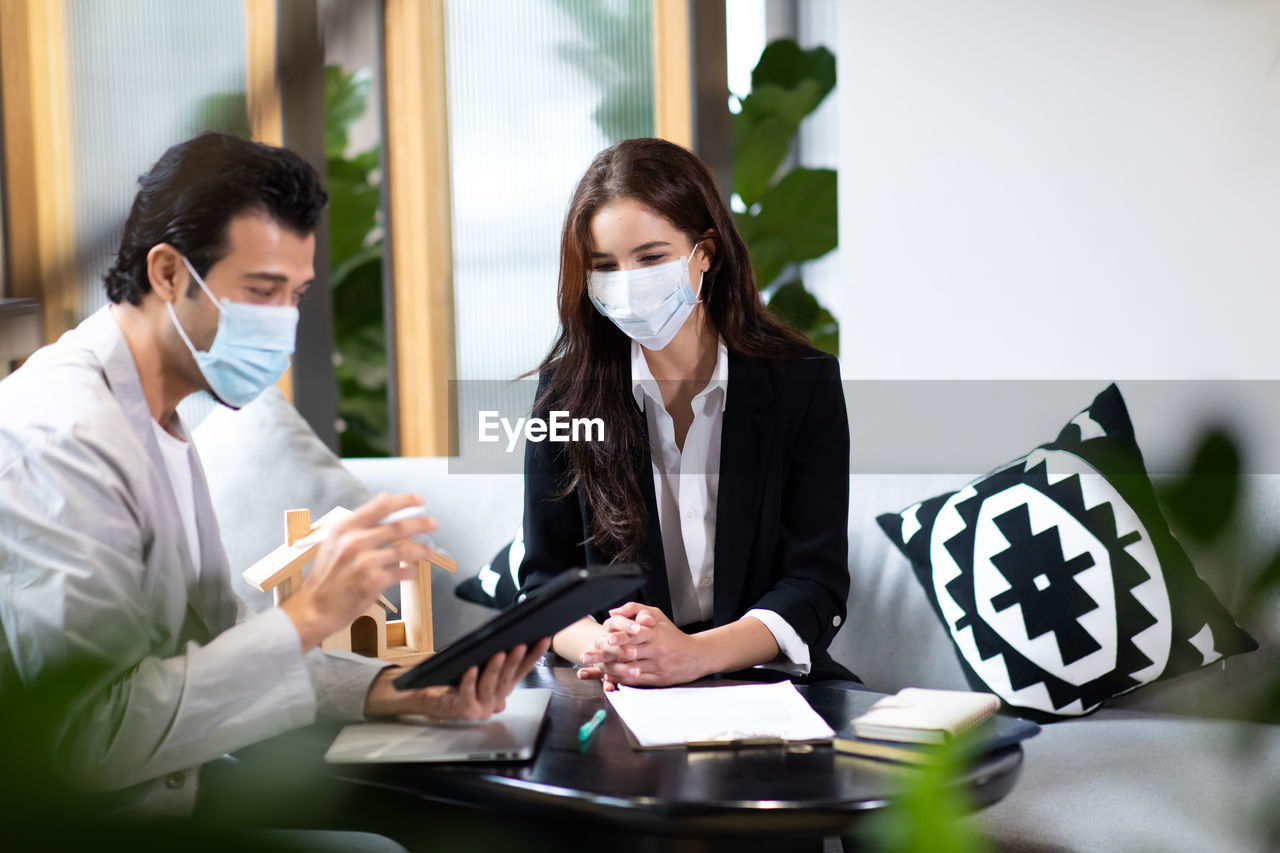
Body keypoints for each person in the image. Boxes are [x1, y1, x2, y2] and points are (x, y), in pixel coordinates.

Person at [0, 132, 549, 821]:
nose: (284, 322)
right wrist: (310, 613)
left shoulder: (157, 410)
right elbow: (87, 739)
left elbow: (221, 650)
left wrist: (393, 686)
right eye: (261, 292)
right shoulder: (63, 434)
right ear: (168, 273)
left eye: (296, 293)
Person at [519, 137, 854, 689]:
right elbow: (544, 585)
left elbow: (814, 583)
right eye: (606, 266)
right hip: (617, 682)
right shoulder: (564, 395)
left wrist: (695, 655)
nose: (627, 285)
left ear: (706, 253)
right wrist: (611, 648)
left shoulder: (802, 383)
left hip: (762, 676)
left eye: (650, 258)